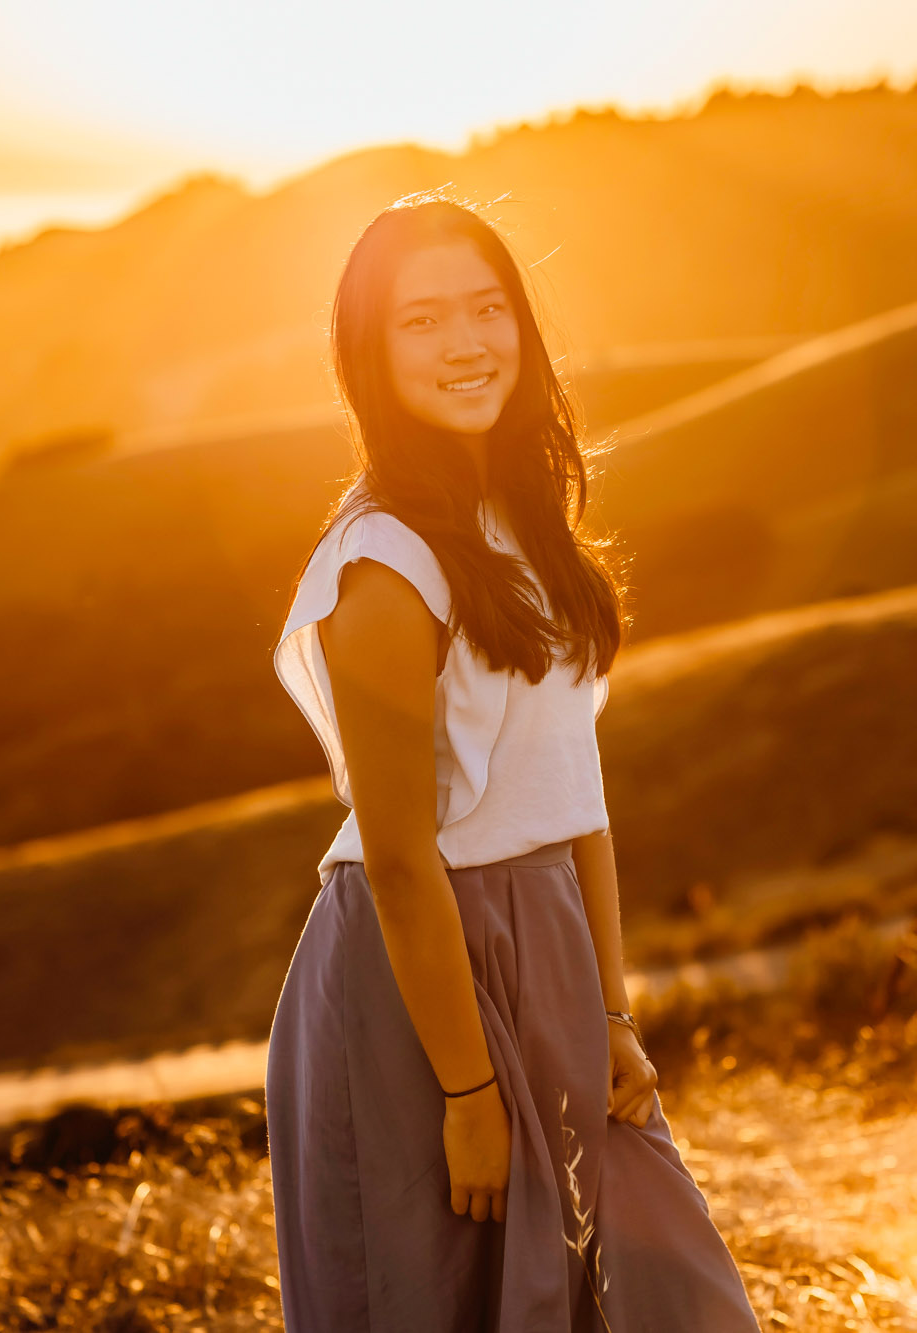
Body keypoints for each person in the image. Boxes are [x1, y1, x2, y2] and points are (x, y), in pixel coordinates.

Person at [265, 190, 762, 1333]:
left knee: (668, 1294)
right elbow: (396, 855)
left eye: (487, 309)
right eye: (423, 320)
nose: (465, 344)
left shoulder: (523, 524)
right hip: (418, 983)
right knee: (434, 1304)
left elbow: (573, 796)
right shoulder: (381, 565)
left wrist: (613, 1013)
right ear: (368, 353)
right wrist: (467, 1091)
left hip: (545, 944)